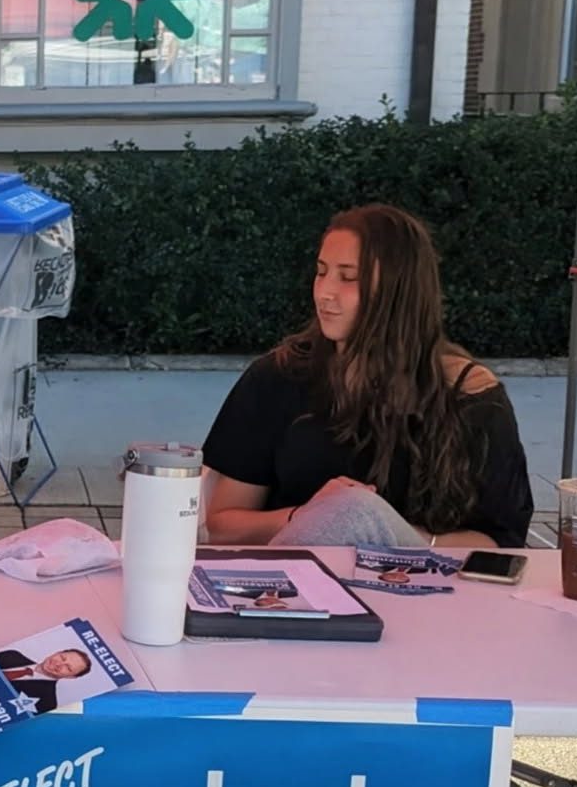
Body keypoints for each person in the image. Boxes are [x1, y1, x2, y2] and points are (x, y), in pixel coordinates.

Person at [202, 204, 533, 550]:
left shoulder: (468, 395)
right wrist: (308, 515)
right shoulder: (278, 378)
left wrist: (387, 533)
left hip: (423, 576)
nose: (324, 292)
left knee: (356, 510)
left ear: (399, 290)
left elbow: (502, 540)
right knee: (347, 511)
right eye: (321, 272)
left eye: (348, 278)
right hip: (296, 578)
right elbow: (222, 527)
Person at [0, 646, 92, 713]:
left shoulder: (47, 703)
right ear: (57, 652)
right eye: (62, 658)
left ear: (71, 677)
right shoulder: (12, 655)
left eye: (68, 667)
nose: (58, 664)